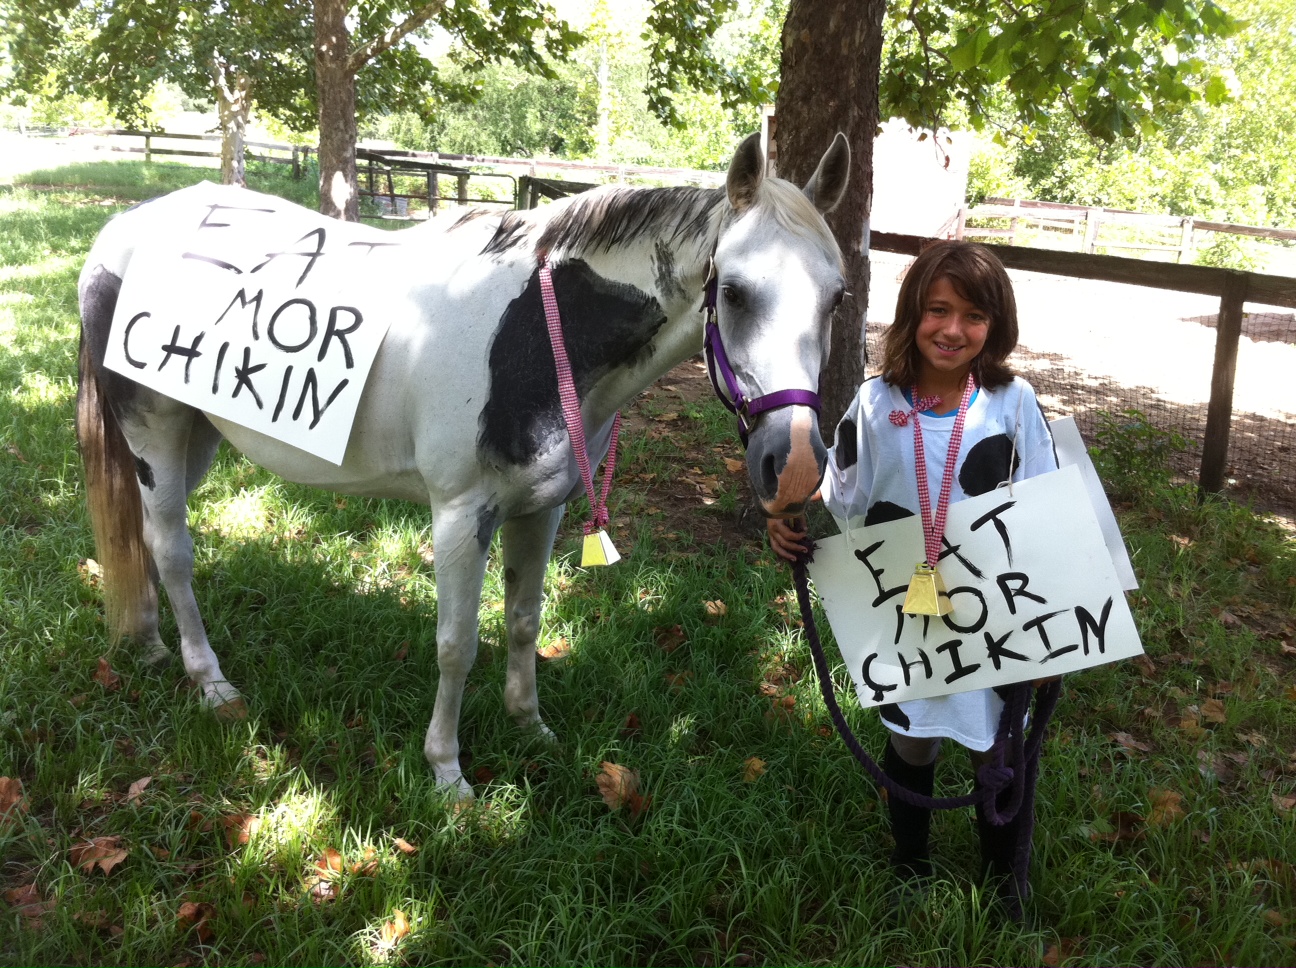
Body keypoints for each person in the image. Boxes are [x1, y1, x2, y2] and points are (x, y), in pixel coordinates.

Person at [768, 240, 1058, 922]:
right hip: (907, 613)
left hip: (998, 616)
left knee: (999, 744)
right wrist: (785, 520)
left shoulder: (1012, 404)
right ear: (912, 315)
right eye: (938, 309)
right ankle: (910, 863)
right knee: (911, 737)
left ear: (997, 325)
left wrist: (1052, 633)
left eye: (974, 315)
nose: (953, 329)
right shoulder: (875, 404)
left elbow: (1048, 506)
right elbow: (837, 490)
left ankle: (1001, 878)